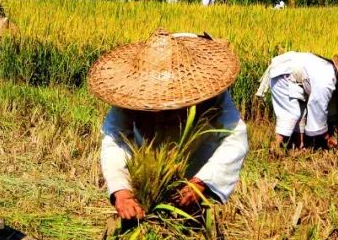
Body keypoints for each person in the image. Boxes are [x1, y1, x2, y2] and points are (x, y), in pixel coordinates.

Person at [89, 30, 249, 220]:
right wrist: (122, 191)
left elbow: (235, 137)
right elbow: (115, 137)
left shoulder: (209, 90)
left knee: (189, 226)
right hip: (145, 174)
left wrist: (201, 183)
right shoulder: (129, 92)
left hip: (195, 166)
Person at [255, 52, 338, 149]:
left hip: (292, 74)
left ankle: (299, 145)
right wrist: (326, 137)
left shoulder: (330, 73)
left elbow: (325, 106)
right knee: (291, 113)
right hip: (283, 74)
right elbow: (317, 107)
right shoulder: (326, 81)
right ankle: (275, 146)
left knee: (301, 112)